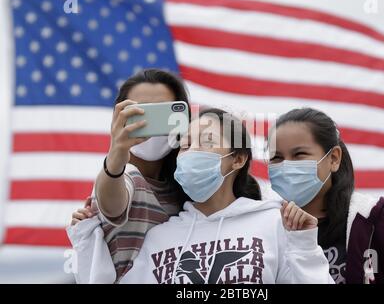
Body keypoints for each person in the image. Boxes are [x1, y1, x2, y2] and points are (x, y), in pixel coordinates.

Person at [67, 108, 333, 284]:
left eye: (205, 142)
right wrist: (88, 240)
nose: (192, 151)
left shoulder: (275, 222)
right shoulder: (159, 236)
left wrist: (304, 246)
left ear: (238, 159)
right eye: (185, 145)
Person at [267, 107, 384, 284]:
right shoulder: (266, 226)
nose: (286, 166)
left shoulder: (371, 222)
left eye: (299, 154)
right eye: (276, 157)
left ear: (333, 159)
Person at [71, 68, 190, 281]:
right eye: (140, 113)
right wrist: (116, 153)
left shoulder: (189, 184)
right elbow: (112, 204)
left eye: (162, 113)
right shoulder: (124, 176)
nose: (150, 125)